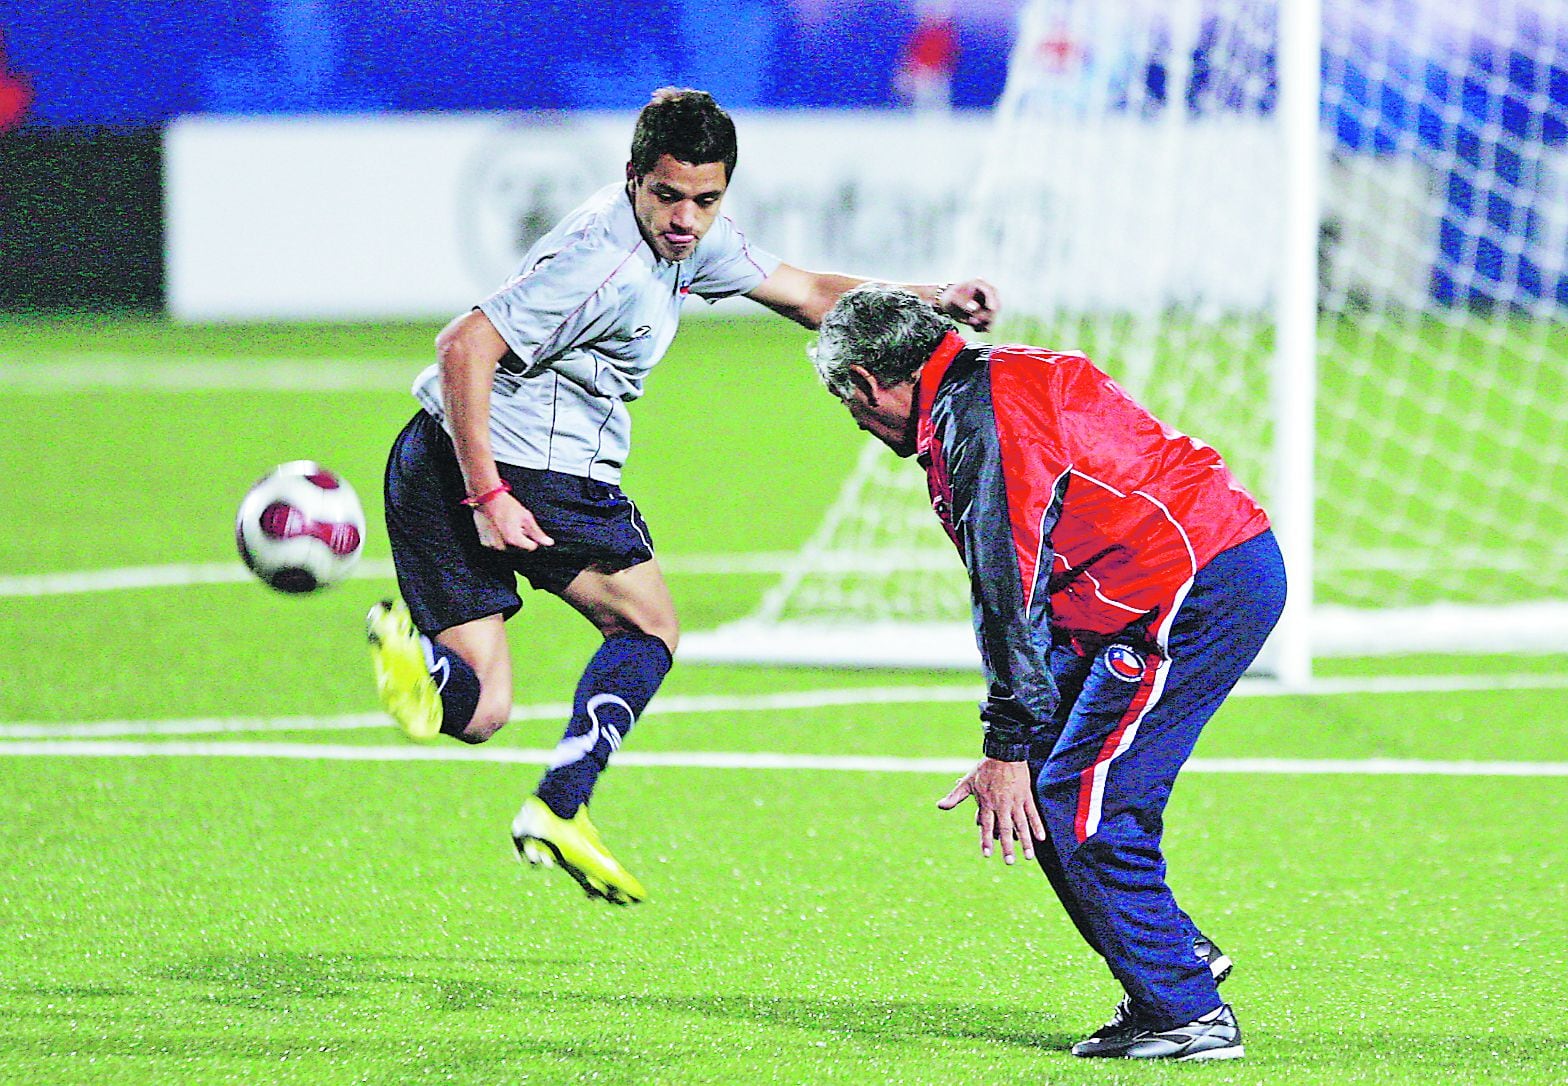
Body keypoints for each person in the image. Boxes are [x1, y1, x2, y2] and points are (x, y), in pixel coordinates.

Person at [366, 89, 998, 907]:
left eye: (705, 200)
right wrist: (489, 492)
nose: (685, 219)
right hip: (526, 466)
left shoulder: (687, 243)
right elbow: (465, 342)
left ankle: (421, 673)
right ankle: (562, 806)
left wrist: (930, 298)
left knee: (481, 706)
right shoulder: (606, 256)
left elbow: (807, 293)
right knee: (649, 626)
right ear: (633, 178)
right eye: (667, 195)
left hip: (427, 453)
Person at [809, 283, 1286, 1062]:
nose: (861, 427)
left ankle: (1187, 1010)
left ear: (864, 383)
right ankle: (1170, 961)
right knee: (1055, 785)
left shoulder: (980, 420)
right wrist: (1018, 742)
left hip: (1188, 587)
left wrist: (1005, 744)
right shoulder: (992, 379)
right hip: (1150, 586)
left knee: (1082, 800)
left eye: (851, 407)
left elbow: (1008, 584)